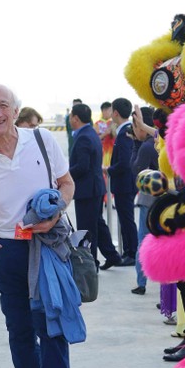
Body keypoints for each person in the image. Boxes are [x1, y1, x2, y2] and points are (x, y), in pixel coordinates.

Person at [0, 84, 76, 368]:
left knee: (53, 326)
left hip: (46, 246)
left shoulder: (42, 139)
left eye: (3, 105)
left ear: (15, 110)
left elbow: (67, 183)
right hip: (6, 251)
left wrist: (57, 212)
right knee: (20, 330)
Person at [68, 103, 122, 269]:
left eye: (71, 116)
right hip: (94, 188)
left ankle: (91, 264)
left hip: (87, 190)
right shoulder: (91, 132)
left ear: (75, 119)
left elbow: (82, 166)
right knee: (97, 224)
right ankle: (112, 256)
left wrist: (64, 176)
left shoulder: (83, 136)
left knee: (87, 229)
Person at [103, 97, 138, 266]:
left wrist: (109, 170)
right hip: (125, 184)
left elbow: (124, 162)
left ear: (115, 113)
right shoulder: (127, 130)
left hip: (124, 184)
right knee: (125, 218)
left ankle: (132, 252)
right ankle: (129, 251)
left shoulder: (124, 134)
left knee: (126, 219)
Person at [129, 106, 159, 295]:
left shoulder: (146, 147)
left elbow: (135, 169)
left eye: (135, 126)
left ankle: (141, 281)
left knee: (143, 241)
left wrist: (135, 145)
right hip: (164, 200)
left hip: (149, 201)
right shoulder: (158, 142)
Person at [95, 101, 115, 166]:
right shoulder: (97, 124)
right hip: (101, 151)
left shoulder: (114, 123)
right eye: (110, 111)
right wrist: (105, 133)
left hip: (112, 151)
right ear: (104, 111)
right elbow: (95, 139)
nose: (111, 113)